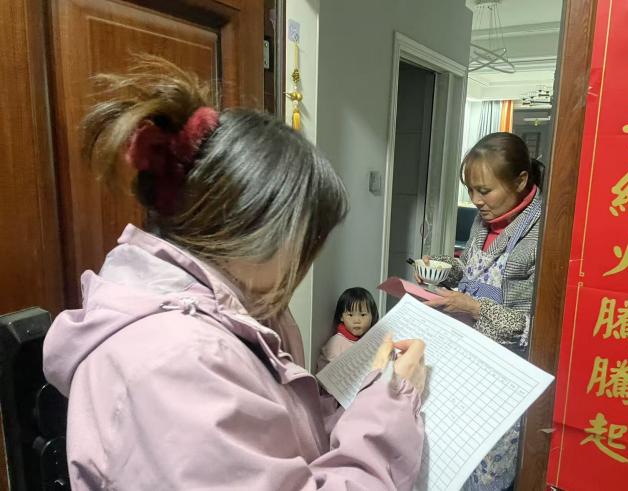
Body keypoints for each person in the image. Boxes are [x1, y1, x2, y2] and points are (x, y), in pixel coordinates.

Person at [42, 56, 427, 491]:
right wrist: (393, 403)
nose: (303, 263)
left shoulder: (222, 318)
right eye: (304, 241)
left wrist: (368, 397)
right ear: (255, 229)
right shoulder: (178, 361)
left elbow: (274, 431)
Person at [419, 132, 544, 491]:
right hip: (466, 361)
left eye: (484, 191)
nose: (475, 200)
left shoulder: (544, 233)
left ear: (520, 181)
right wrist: (440, 268)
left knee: (484, 473)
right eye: (470, 190)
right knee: (448, 460)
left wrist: (474, 307)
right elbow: (469, 268)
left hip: (505, 376)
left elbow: (536, 330)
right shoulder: (483, 220)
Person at [316, 287, 379, 372]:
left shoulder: (372, 340)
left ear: (372, 316)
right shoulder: (336, 343)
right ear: (341, 317)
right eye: (350, 315)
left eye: (363, 315)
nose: (357, 321)